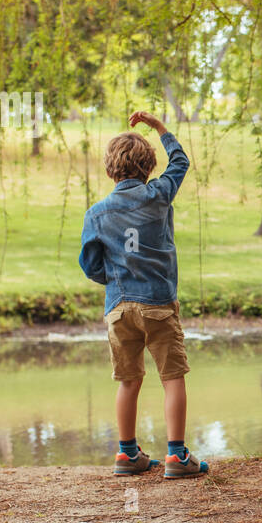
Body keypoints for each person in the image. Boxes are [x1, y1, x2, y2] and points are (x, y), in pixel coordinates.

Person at [79, 111, 208, 480]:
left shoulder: (96, 213)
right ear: (149, 167)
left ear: (110, 170)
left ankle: (126, 454)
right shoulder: (159, 194)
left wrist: (118, 279)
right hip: (158, 305)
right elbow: (181, 161)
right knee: (172, 377)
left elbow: (90, 265)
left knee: (128, 380)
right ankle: (177, 457)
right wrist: (160, 128)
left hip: (119, 308)